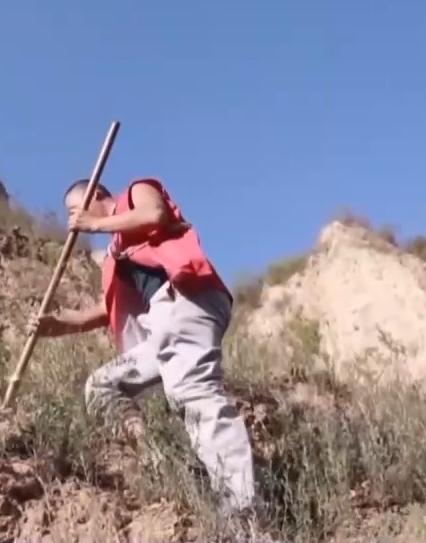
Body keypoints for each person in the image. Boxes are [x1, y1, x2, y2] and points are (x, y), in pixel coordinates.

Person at [29, 177, 257, 516]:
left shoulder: (135, 193)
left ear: (95, 195)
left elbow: (155, 213)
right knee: (102, 385)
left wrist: (95, 224)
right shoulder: (117, 251)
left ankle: (241, 512)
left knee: (194, 392)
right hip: (163, 325)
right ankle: (158, 456)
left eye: (75, 210)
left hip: (185, 301)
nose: (72, 220)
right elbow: (106, 310)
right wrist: (59, 325)